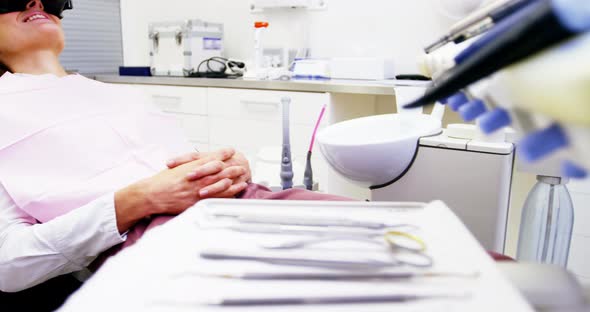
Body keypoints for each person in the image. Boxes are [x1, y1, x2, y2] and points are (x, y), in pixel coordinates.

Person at [0, 2, 348, 307]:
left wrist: (228, 166)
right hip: (163, 234)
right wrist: (135, 201)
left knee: (380, 234)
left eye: (53, 0)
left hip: (253, 201)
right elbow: (9, 265)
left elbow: (176, 163)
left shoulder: (119, 95)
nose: (37, 2)